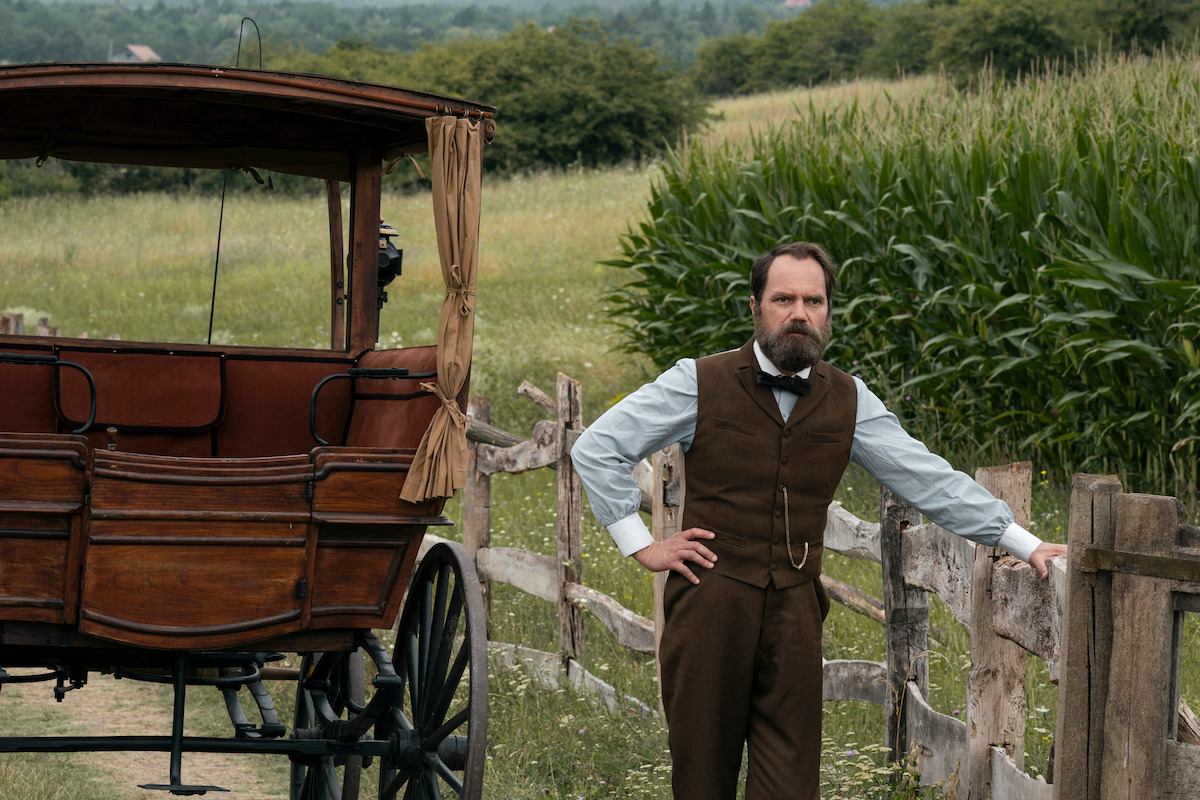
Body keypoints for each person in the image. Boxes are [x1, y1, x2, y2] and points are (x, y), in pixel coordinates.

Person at [570, 241, 1068, 800]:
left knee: (790, 783)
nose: (799, 313)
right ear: (755, 305)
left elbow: (929, 478)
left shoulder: (850, 400)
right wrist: (642, 545)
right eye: (784, 298)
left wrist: (1024, 543)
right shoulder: (698, 381)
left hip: (796, 611)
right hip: (709, 604)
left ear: (828, 311)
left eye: (814, 300)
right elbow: (597, 448)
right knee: (701, 780)